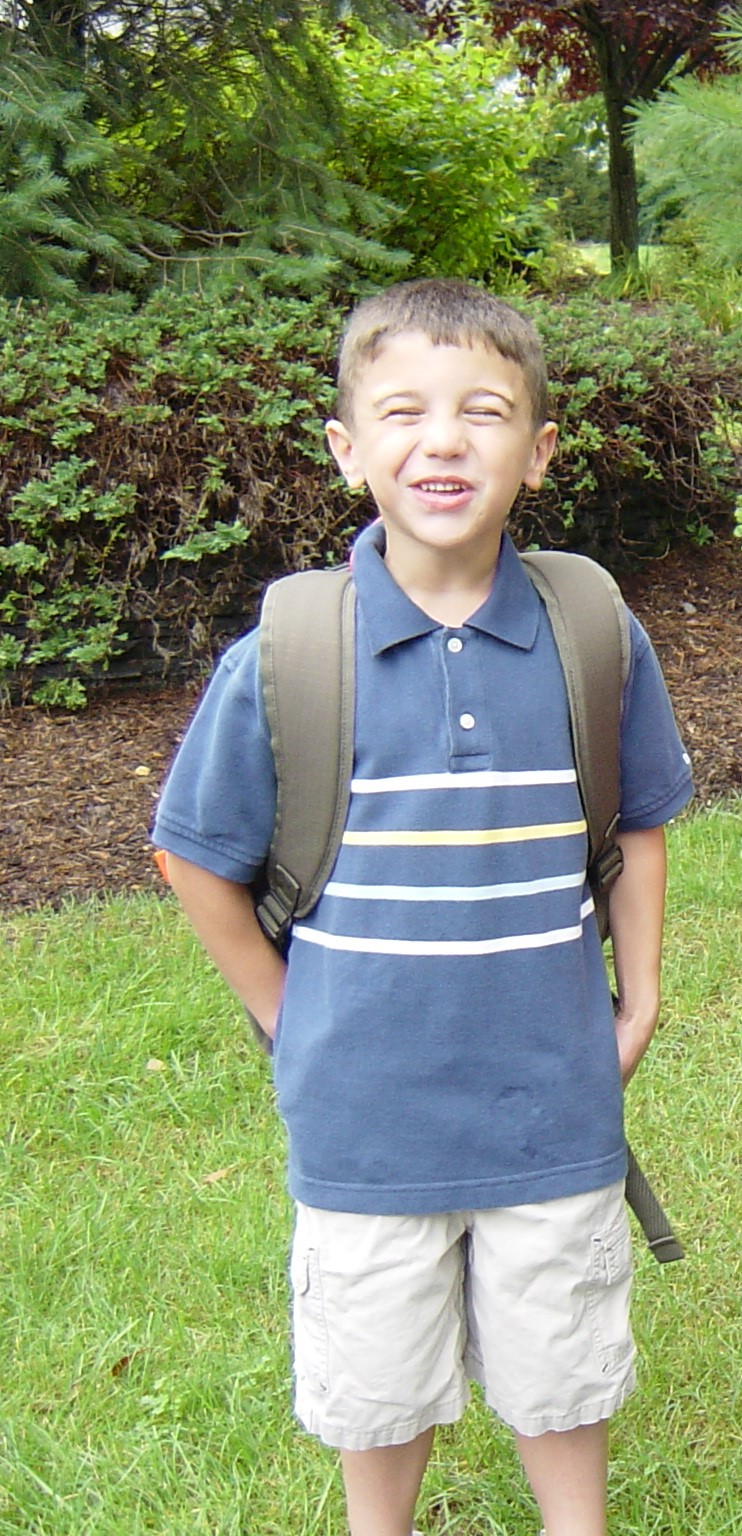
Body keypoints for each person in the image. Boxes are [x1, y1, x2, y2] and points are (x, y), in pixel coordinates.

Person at [151, 278, 693, 1536]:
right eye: (400, 412)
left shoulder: (593, 630)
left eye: (483, 412)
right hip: (363, 1123)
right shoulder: (291, 649)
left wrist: (644, 995)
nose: (440, 440)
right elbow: (195, 860)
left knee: (559, 1372)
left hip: (550, 1101)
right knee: (379, 1391)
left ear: (538, 451)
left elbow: (640, 827)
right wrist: (286, 1019)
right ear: (348, 449)